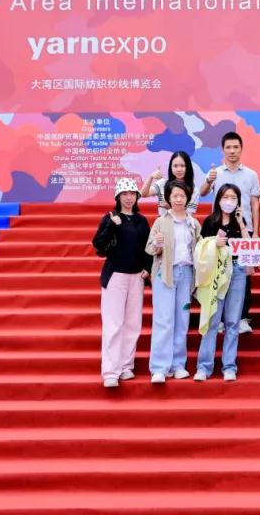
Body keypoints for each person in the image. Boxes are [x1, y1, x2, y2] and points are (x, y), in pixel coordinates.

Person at [198, 132, 260, 335]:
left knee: (244, 275)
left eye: (236, 147)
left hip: (243, 228)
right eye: (228, 147)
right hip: (220, 228)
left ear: (241, 149)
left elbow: (255, 204)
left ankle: (242, 317)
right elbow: (202, 192)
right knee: (220, 271)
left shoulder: (251, 174)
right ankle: (219, 317)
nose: (232, 151)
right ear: (223, 150)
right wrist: (209, 180)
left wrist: (255, 232)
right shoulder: (216, 172)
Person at [91, 178, 151, 388]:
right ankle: (110, 371)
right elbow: (98, 245)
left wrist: (147, 267)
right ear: (118, 197)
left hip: (136, 277)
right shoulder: (110, 217)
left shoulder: (141, 221)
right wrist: (111, 226)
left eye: (132, 194)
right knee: (113, 323)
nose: (128, 198)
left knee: (133, 324)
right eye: (124, 194)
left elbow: (148, 247)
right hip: (115, 275)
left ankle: (126, 366)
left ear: (137, 196)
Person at [145, 179, 202, 384]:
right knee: (163, 320)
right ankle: (159, 368)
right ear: (168, 198)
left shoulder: (193, 223)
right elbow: (150, 249)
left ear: (188, 198)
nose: (178, 199)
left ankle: (178, 365)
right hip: (165, 274)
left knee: (182, 320)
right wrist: (157, 245)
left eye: (182, 196)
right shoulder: (161, 221)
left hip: (186, 274)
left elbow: (200, 250)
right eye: (175, 195)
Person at [194, 184, 250, 382]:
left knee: (233, 321)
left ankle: (229, 366)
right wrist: (213, 243)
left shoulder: (240, 221)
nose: (229, 201)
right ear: (218, 199)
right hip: (216, 271)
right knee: (212, 319)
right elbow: (200, 248)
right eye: (225, 197)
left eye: (233, 197)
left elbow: (248, 246)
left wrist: (241, 223)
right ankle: (204, 366)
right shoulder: (210, 221)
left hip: (237, 270)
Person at [142, 151, 199, 216]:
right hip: (162, 222)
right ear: (171, 167)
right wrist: (151, 177)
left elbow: (189, 215)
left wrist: (170, 207)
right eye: (175, 166)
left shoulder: (194, 190)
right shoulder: (162, 184)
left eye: (183, 166)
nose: (179, 169)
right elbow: (144, 194)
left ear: (188, 167)